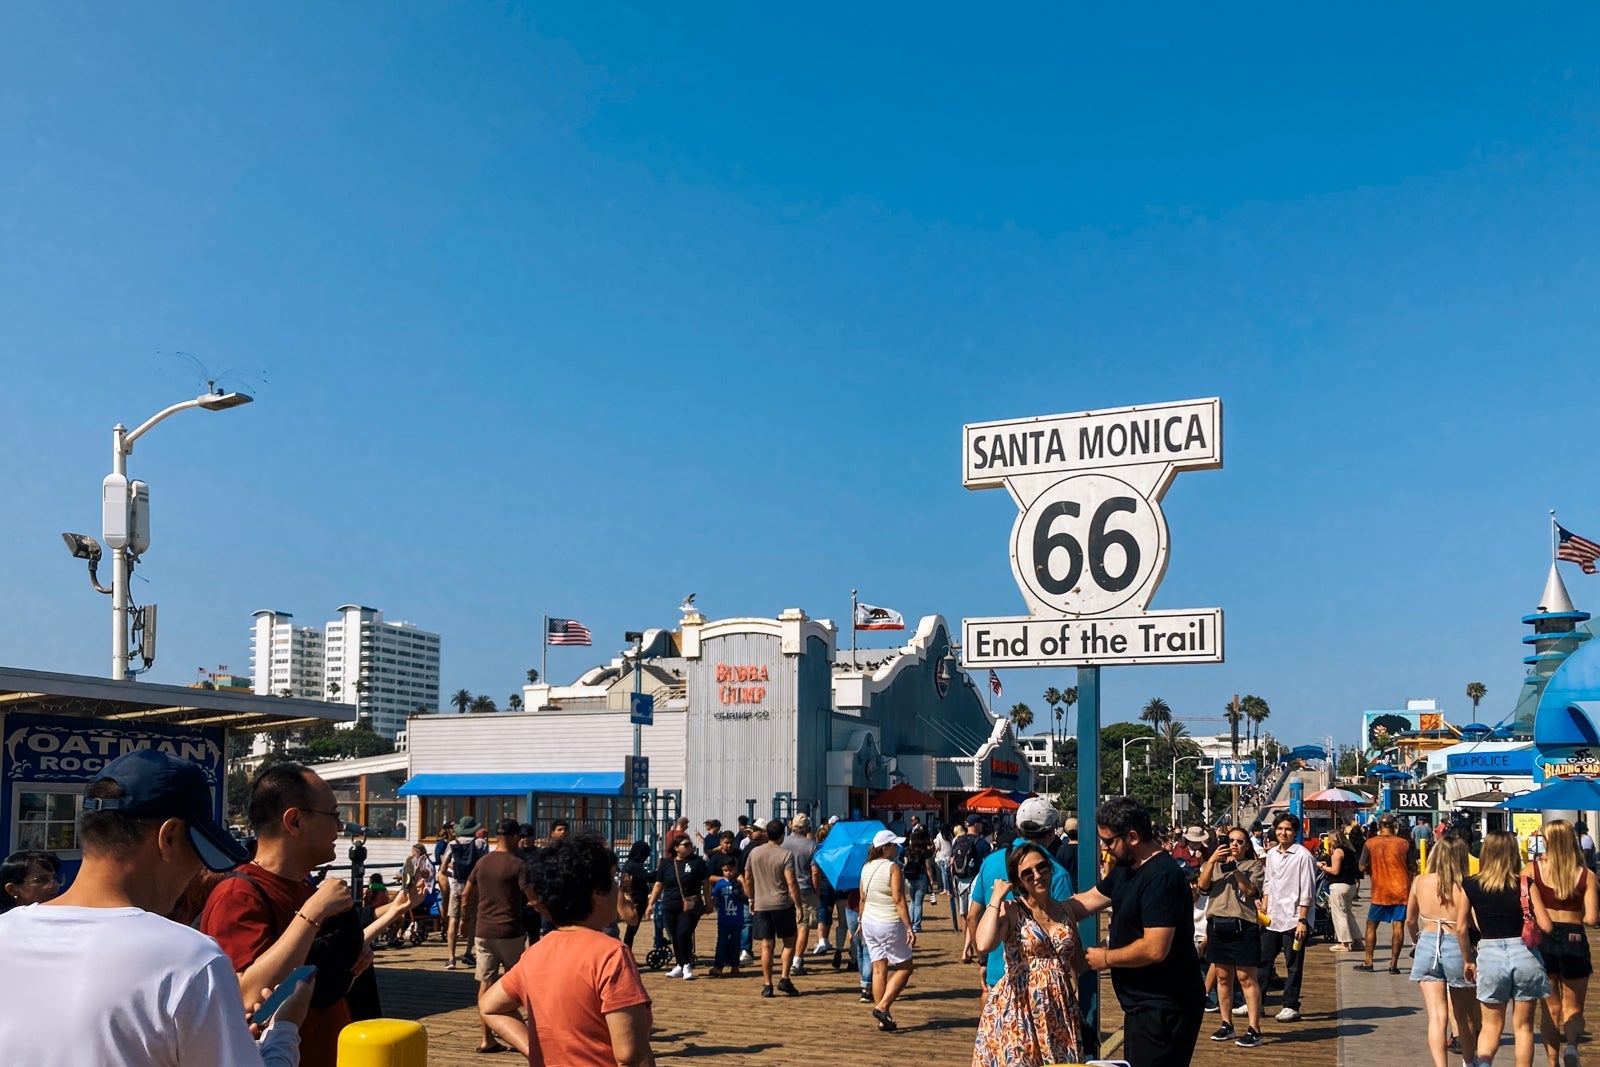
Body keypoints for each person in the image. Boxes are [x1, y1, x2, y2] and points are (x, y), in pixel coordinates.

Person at [0, 748, 308, 1066]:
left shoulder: (5, 933)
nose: (195, 873)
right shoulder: (189, 958)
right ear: (169, 837)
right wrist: (283, 1032)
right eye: (198, 854)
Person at [200, 762, 382, 1067]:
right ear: (294, 821)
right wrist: (313, 912)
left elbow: (308, 987)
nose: (340, 827)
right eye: (334, 815)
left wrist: (351, 969)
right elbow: (247, 995)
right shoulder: (239, 894)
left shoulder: (304, 888)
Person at [479, 832, 654, 1066]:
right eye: (612, 880)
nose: (617, 888)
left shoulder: (536, 952)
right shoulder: (611, 954)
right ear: (596, 894)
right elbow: (630, 1056)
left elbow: (490, 1007)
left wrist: (537, 1053)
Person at [1065, 796, 1204, 1067]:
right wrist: (1040, 907)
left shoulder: (1161, 876)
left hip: (1166, 1006)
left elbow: (1155, 947)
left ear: (1132, 836)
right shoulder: (1126, 870)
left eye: (1108, 841)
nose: (1104, 848)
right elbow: (1087, 901)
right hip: (1141, 1005)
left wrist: (1105, 959)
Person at [971, 841, 1088, 1066]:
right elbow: (984, 944)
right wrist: (995, 898)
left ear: (1050, 868)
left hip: (1059, 1007)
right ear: (1019, 881)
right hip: (1019, 1005)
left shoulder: (1066, 910)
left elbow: (1077, 961)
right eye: (1027, 873)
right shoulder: (1012, 910)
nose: (1037, 875)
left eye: (1042, 867)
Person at [964, 797, 1074, 995]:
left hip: (997, 970)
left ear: (1017, 826)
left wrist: (984, 960)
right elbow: (1065, 930)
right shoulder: (1054, 873)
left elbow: (973, 916)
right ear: (1052, 831)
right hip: (1041, 982)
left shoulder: (990, 862)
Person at [1467, 830, 1551, 1067]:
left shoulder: (1471, 885)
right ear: (1513, 853)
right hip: (1524, 954)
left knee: (1491, 1026)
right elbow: (1545, 925)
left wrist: (1468, 957)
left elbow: (1466, 925)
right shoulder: (1525, 884)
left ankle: (1483, 1064)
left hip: (1490, 954)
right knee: (1523, 1027)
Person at [1524, 819, 1599, 1067]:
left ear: (1547, 841)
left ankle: (1553, 1060)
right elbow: (1591, 919)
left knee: (1550, 1008)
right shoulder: (1585, 875)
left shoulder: (1531, 870)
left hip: (1542, 938)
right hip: (1574, 938)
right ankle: (1573, 1047)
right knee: (1574, 1006)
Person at [1406, 835, 1479, 1067]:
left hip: (1427, 941)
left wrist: (1415, 943)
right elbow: (1476, 924)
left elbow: (1409, 919)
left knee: (1437, 1016)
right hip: (1457, 945)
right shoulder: (1466, 886)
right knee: (1463, 1015)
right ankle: (1469, 1061)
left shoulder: (1419, 881)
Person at [465, 818, 534, 1054]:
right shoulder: (518, 864)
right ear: (515, 837)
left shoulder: (482, 863)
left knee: (486, 982)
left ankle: (487, 1038)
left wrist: (466, 920)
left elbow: (466, 894)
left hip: (483, 932)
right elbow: (531, 896)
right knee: (519, 983)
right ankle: (525, 1032)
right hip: (510, 931)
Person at [1197, 827, 1265, 1047]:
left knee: (1246, 978)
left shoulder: (1253, 866)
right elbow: (1202, 886)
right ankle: (1227, 1024)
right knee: (1222, 977)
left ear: (1247, 845)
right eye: (1231, 840)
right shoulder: (1214, 865)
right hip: (1218, 926)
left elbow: (1251, 891)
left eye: (1240, 841)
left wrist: (1235, 870)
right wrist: (1212, 861)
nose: (1235, 845)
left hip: (1243, 926)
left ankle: (1254, 1028)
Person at [1258, 812, 1318, 1022]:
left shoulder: (1303, 856)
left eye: (1288, 829)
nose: (1283, 833)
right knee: (1263, 960)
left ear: (1295, 832)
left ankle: (1291, 1004)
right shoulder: (1272, 854)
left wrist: (1302, 920)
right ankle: (1257, 1002)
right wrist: (1265, 903)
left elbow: (1307, 891)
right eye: (1280, 828)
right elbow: (1268, 881)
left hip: (1294, 919)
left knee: (1293, 964)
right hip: (1272, 917)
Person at [859, 829, 916, 1031]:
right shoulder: (893, 868)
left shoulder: (866, 867)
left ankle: (883, 1017)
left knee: (878, 968)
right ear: (885, 848)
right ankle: (883, 1006)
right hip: (888, 921)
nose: (897, 847)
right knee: (905, 967)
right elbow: (898, 899)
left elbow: (862, 897)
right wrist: (909, 927)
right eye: (894, 844)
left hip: (869, 922)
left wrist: (860, 921)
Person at [742, 818, 804, 997]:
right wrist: (798, 906)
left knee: (766, 945)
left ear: (766, 834)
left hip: (761, 904)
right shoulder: (785, 854)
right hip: (782, 903)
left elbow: (747, 878)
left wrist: (751, 899)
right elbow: (791, 882)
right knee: (789, 941)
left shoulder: (754, 853)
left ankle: (767, 984)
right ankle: (784, 977)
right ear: (782, 836)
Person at [1358, 814, 1417, 974]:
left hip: (1380, 891)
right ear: (1394, 826)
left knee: (1371, 925)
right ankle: (1393, 965)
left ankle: (1368, 961)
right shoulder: (1404, 844)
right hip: (1401, 890)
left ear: (1378, 826)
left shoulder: (1370, 844)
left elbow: (1362, 867)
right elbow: (1413, 867)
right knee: (1398, 927)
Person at [646, 835, 709, 979]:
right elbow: (659, 884)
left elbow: (705, 883)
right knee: (675, 935)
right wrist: (650, 904)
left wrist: (708, 902)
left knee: (683, 933)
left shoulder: (697, 862)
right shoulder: (667, 863)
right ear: (676, 848)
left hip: (690, 905)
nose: (689, 847)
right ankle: (680, 964)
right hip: (670, 904)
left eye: (690, 844)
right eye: (685, 845)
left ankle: (686, 964)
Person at [439, 816, 489, 969]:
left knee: (453, 920)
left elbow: (442, 869)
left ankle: (451, 958)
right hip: (474, 887)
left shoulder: (452, 844)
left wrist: (454, 875)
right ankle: (468, 952)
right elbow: (484, 867)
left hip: (456, 887)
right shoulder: (481, 843)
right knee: (473, 919)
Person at [783, 813, 821, 970]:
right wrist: (817, 891)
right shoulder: (811, 845)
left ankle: (788, 956)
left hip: (784, 889)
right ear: (807, 827)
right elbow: (815, 872)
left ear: (791, 826)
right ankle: (797, 960)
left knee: (790, 925)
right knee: (803, 924)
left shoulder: (782, 843)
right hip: (805, 889)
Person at [1319, 826, 1362, 953]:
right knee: (1348, 913)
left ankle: (1344, 942)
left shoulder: (1337, 852)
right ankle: (1357, 940)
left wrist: (1322, 867)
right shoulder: (1349, 850)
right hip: (1350, 885)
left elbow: (1335, 871)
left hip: (1338, 885)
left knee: (1339, 914)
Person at [951, 815, 992, 930]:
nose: (982, 826)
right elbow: (988, 864)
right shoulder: (983, 843)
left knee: (964, 915)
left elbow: (951, 861)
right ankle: (973, 944)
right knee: (974, 915)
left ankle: (967, 944)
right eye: (980, 823)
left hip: (960, 880)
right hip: (975, 880)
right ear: (976, 825)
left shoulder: (958, 840)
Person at [707, 868, 747, 978]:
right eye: (725, 870)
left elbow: (747, 894)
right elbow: (715, 898)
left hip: (737, 919)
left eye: (730, 870)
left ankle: (735, 965)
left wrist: (742, 881)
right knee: (722, 942)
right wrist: (710, 906)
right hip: (723, 919)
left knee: (736, 943)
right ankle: (718, 966)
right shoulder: (720, 884)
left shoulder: (738, 883)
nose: (728, 872)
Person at [901, 825, 938, 933]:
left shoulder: (907, 850)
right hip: (921, 877)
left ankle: (910, 924)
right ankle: (916, 926)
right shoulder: (924, 851)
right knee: (918, 903)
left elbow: (905, 864)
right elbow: (928, 867)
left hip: (909, 877)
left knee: (912, 902)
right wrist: (931, 879)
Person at [619, 840, 653, 950]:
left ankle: (628, 954)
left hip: (637, 898)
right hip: (636, 899)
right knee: (631, 930)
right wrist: (661, 871)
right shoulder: (633, 866)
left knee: (631, 931)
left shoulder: (631, 864)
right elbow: (648, 877)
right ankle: (627, 955)